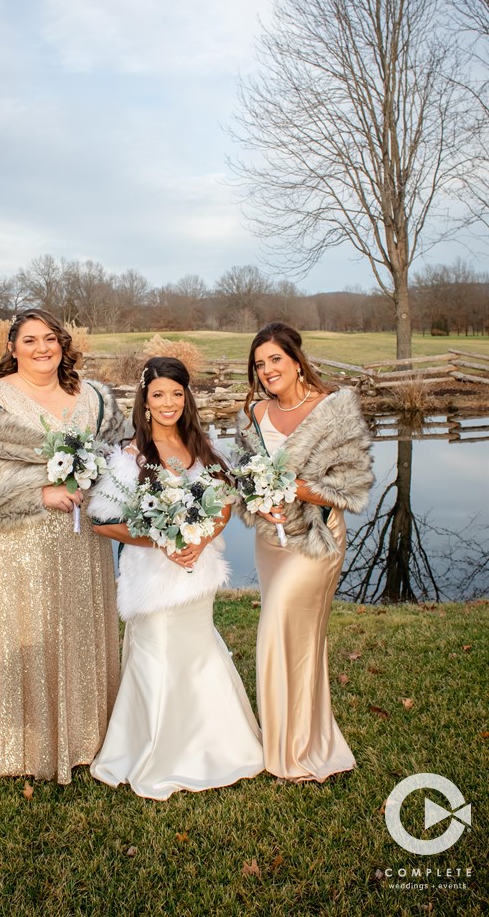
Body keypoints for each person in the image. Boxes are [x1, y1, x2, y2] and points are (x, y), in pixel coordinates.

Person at [0, 309, 125, 782]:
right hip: (16, 539)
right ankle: (25, 744)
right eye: (29, 340)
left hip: (81, 540)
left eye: (50, 338)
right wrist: (38, 492)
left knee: (78, 624)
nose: (42, 348)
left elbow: (118, 460)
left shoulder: (94, 397)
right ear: (12, 348)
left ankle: (88, 734)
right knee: (27, 624)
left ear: (63, 343)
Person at [87, 356, 264, 800]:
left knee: (199, 652)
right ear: (145, 401)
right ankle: (157, 754)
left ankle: (215, 746)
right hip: (151, 580)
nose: (168, 403)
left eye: (177, 394)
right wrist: (160, 540)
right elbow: (102, 522)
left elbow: (222, 506)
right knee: (158, 657)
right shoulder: (129, 457)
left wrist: (201, 540)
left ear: (188, 399)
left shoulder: (204, 449)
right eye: (159, 394)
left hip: (197, 574)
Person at [237, 322, 373, 783]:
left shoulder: (333, 412)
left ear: (296, 361)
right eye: (260, 364)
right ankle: (296, 735)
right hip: (270, 541)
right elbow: (242, 477)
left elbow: (350, 488)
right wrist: (255, 494)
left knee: (279, 625)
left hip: (316, 539)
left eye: (275, 359)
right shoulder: (254, 414)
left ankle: (294, 751)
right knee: (292, 637)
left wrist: (290, 488)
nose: (268, 369)